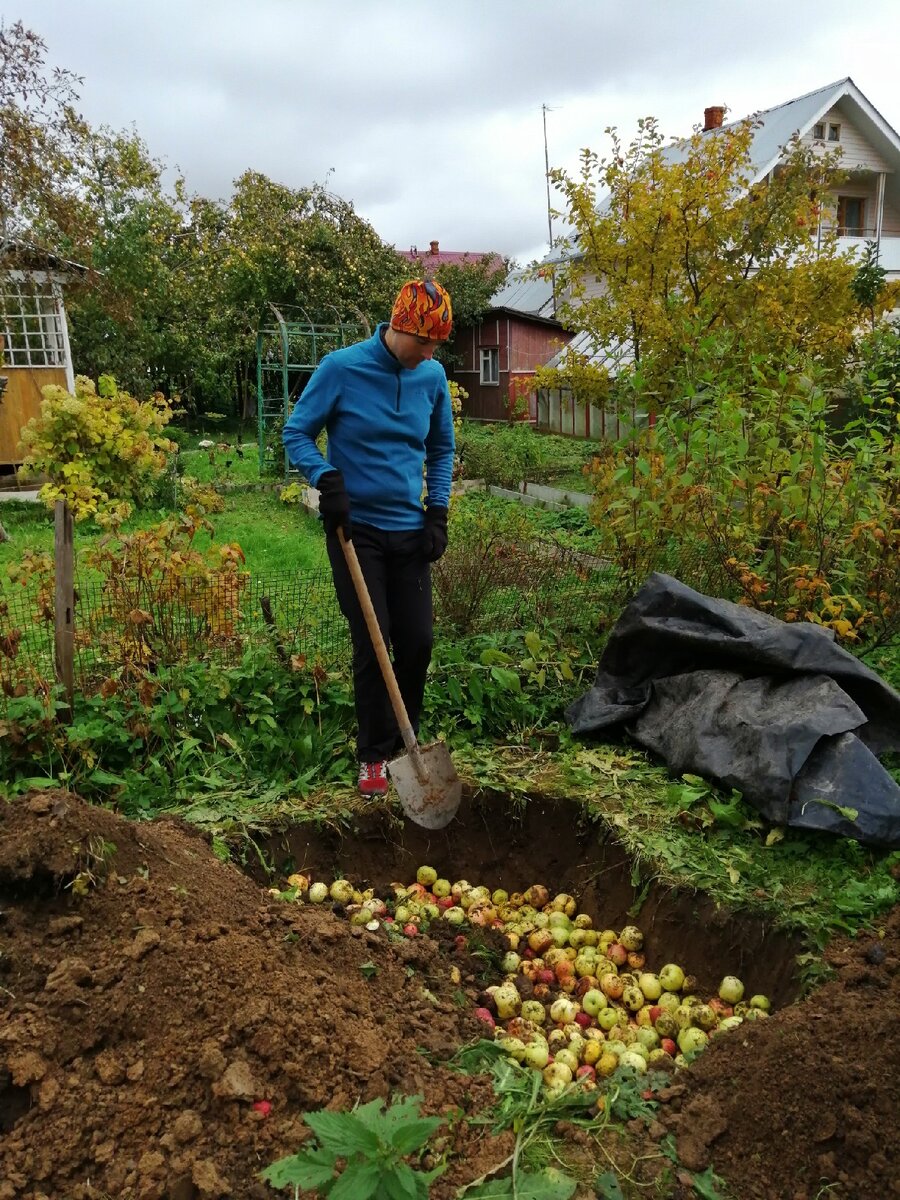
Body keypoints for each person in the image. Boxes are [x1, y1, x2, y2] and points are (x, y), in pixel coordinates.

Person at [282, 279, 455, 796]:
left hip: (409, 530)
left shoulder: (431, 376)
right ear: (400, 326)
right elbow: (297, 432)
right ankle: (374, 756)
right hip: (356, 534)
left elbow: (441, 448)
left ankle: (409, 741)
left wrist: (438, 511)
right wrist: (324, 477)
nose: (429, 353)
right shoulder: (342, 368)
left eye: (436, 346)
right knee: (374, 640)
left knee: (418, 643)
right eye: (423, 342)